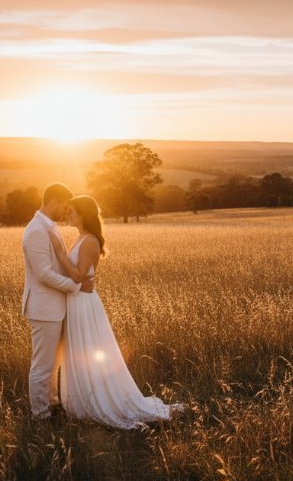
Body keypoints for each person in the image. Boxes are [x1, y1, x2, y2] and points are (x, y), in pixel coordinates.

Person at [46, 194, 185, 429]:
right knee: (79, 351)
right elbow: (75, 274)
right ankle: (81, 401)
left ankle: (99, 402)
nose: (68, 214)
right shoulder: (80, 237)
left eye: (72, 211)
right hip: (76, 300)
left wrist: (60, 254)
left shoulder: (89, 240)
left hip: (83, 303)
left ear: (83, 214)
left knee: (87, 349)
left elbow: (79, 275)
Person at [21, 183, 94, 420]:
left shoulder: (48, 227)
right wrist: (75, 286)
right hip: (44, 309)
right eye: (64, 204)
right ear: (53, 201)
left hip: (57, 308)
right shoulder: (36, 231)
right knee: (42, 366)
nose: (66, 209)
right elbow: (43, 273)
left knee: (53, 364)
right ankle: (40, 415)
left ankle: (51, 404)